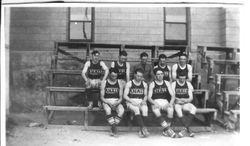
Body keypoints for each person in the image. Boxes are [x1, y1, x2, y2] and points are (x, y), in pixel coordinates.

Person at [147, 68, 176, 138]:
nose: (160, 76)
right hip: (155, 101)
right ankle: (168, 130)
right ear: (155, 76)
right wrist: (155, 103)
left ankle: (165, 130)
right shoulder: (152, 84)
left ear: (163, 75)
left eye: (161, 74)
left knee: (171, 110)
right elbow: (149, 97)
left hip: (164, 101)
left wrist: (170, 103)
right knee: (156, 111)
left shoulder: (167, 83)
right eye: (158, 74)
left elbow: (173, 95)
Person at [124, 68, 149, 137]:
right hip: (130, 100)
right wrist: (132, 102)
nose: (139, 78)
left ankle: (141, 130)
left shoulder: (144, 84)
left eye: (141, 76)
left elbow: (146, 95)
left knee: (145, 110)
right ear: (135, 75)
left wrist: (144, 100)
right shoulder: (129, 83)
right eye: (138, 76)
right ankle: (144, 128)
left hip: (140, 100)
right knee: (136, 109)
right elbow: (125, 96)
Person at [100, 68, 124, 137]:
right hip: (106, 100)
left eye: (115, 76)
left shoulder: (119, 82)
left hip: (116, 101)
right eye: (112, 76)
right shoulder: (104, 82)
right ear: (109, 75)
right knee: (108, 110)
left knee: (121, 111)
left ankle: (113, 127)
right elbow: (102, 97)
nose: (114, 77)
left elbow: (120, 97)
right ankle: (114, 128)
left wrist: (117, 103)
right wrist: (109, 103)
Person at [172, 72, 197, 138]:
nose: (182, 78)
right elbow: (173, 96)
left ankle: (184, 129)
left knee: (194, 108)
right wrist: (179, 100)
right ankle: (189, 130)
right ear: (178, 77)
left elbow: (191, 97)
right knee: (178, 110)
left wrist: (186, 100)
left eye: (183, 77)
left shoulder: (188, 84)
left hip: (186, 102)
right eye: (181, 76)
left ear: (185, 77)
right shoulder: (174, 84)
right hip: (177, 103)